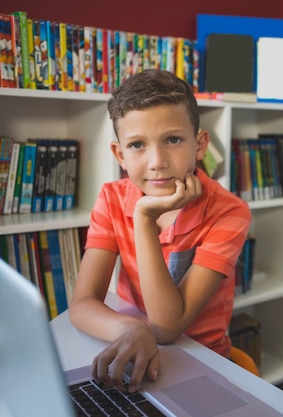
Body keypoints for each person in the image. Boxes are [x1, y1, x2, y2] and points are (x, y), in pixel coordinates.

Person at [68, 69, 251, 393]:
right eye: (138, 145)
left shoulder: (228, 212)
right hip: (132, 346)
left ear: (200, 144)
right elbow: (82, 304)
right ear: (120, 155)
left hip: (201, 363)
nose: (157, 161)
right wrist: (129, 329)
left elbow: (166, 328)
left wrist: (143, 219)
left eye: (173, 139)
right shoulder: (111, 199)